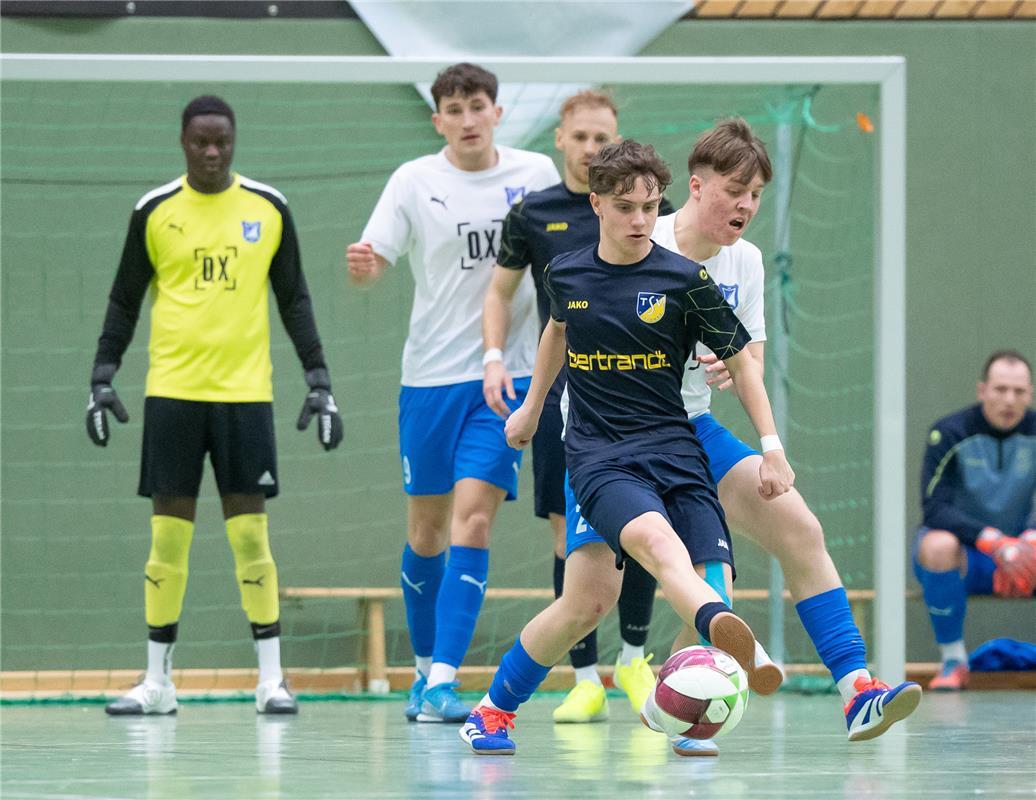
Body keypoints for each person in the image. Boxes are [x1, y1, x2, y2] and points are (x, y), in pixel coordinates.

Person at [459, 139, 795, 756]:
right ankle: (495, 709)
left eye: (649, 207)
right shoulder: (568, 273)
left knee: (689, 578)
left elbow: (742, 363)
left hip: (676, 449)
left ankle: (687, 712)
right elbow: (556, 332)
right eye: (625, 208)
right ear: (597, 205)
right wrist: (530, 410)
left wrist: (771, 448)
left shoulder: (685, 279)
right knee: (650, 556)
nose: (640, 220)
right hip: (600, 455)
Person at [627, 118, 921, 752]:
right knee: (594, 600)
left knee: (801, 529)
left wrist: (760, 425)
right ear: (697, 187)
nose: (746, 206)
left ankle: (857, 693)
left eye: (756, 194)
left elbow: (750, 358)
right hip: (619, 435)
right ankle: (651, 702)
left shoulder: (747, 261)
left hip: (695, 428)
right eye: (735, 191)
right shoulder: (643, 242)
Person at [88, 95, 343, 716]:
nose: (211, 152)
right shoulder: (154, 211)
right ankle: (157, 684)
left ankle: (271, 680)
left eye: (221, 142)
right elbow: (124, 299)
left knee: (251, 535)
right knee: (167, 540)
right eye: (200, 142)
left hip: (244, 398)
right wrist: (102, 375)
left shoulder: (268, 207)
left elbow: (294, 298)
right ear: (183, 142)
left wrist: (319, 378)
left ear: (234, 142)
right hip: (172, 396)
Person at [345, 63, 560, 723]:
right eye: (455, 110)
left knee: (475, 519)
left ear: (498, 113)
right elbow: (372, 264)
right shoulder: (414, 180)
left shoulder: (535, 175)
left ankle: (443, 680)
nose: (468, 120)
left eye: (478, 106)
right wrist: (366, 267)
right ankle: (421, 670)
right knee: (427, 531)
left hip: (508, 378)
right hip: (429, 380)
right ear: (438, 121)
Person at [484, 90, 673, 725]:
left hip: (644, 401)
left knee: (645, 527)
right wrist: (494, 359)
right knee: (570, 535)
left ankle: (635, 661)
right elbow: (501, 293)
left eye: (603, 138)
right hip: (566, 403)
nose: (592, 147)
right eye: (582, 136)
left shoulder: (646, 208)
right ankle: (585, 679)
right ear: (561, 139)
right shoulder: (532, 213)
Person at [913, 349, 1036, 691]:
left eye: (1019, 391)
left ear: (1029, 394)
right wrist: (993, 541)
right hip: (972, 557)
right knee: (937, 545)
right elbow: (935, 507)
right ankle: (954, 661)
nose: (1009, 400)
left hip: (1027, 557)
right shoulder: (949, 433)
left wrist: (1029, 542)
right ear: (982, 390)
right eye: (1000, 389)